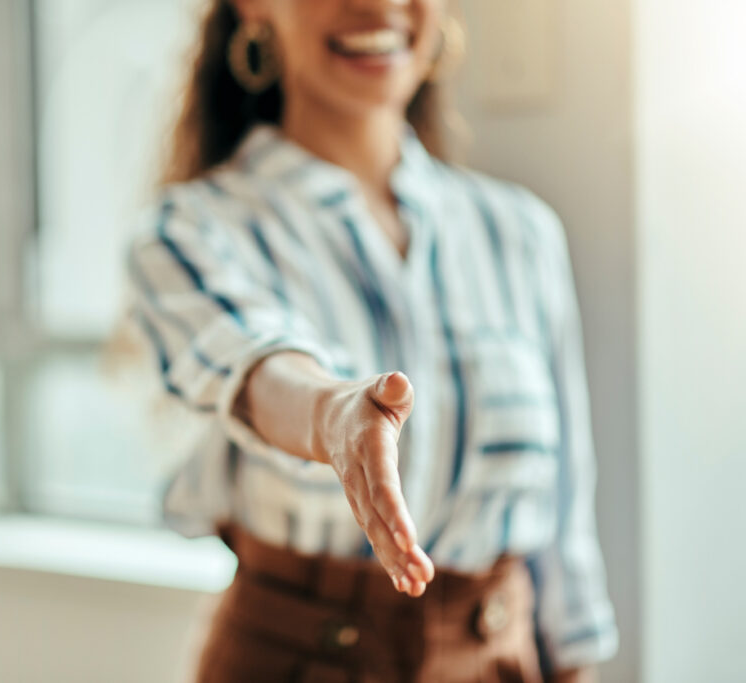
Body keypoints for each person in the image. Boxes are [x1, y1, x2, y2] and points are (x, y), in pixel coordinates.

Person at [122, 0, 618, 680]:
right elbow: (255, 365)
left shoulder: (520, 235)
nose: (379, 4)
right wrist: (333, 414)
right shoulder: (189, 231)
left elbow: (564, 528)